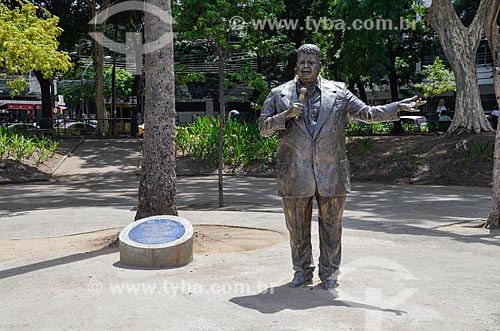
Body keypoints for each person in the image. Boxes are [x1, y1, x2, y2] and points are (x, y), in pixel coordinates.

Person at [259, 44, 424, 289]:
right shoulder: (279, 93)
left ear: (319, 66)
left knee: (331, 227)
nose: (306, 66)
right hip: (294, 173)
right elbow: (263, 129)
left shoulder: (339, 91)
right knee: (297, 228)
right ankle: (302, 271)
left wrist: (396, 107)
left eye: (311, 63)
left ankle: (330, 273)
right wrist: (284, 116)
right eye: (302, 62)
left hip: (332, 172)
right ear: (296, 65)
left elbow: (367, 113)